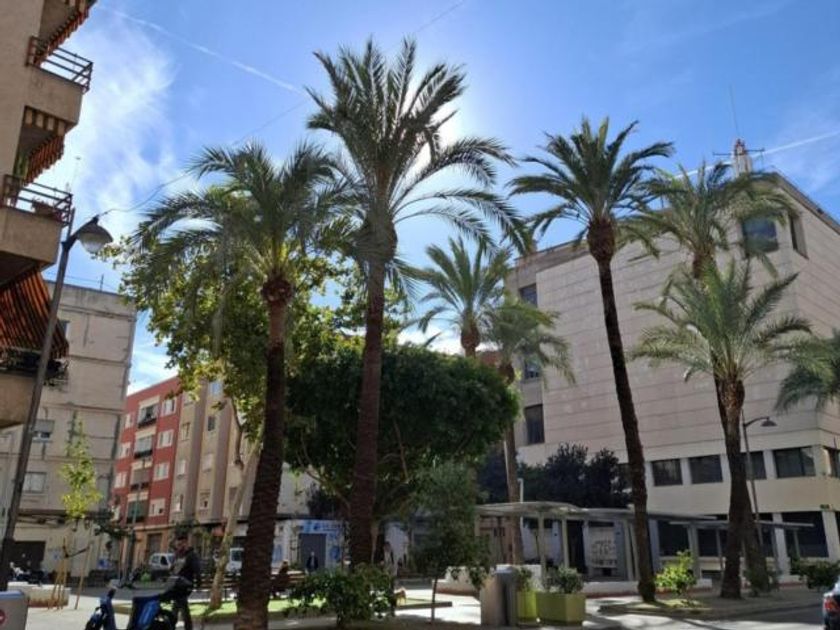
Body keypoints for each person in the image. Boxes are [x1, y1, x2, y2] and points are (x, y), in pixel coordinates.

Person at [171, 533, 201, 630]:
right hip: (176, 585)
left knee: (181, 605)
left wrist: (198, 584)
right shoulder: (177, 555)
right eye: (177, 545)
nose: (178, 547)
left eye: (180, 545)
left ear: (185, 543)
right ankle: (174, 625)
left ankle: (183, 626)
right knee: (178, 606)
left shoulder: (192, 555)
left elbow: (197, 570)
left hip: (186, 585)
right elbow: (172, 569)